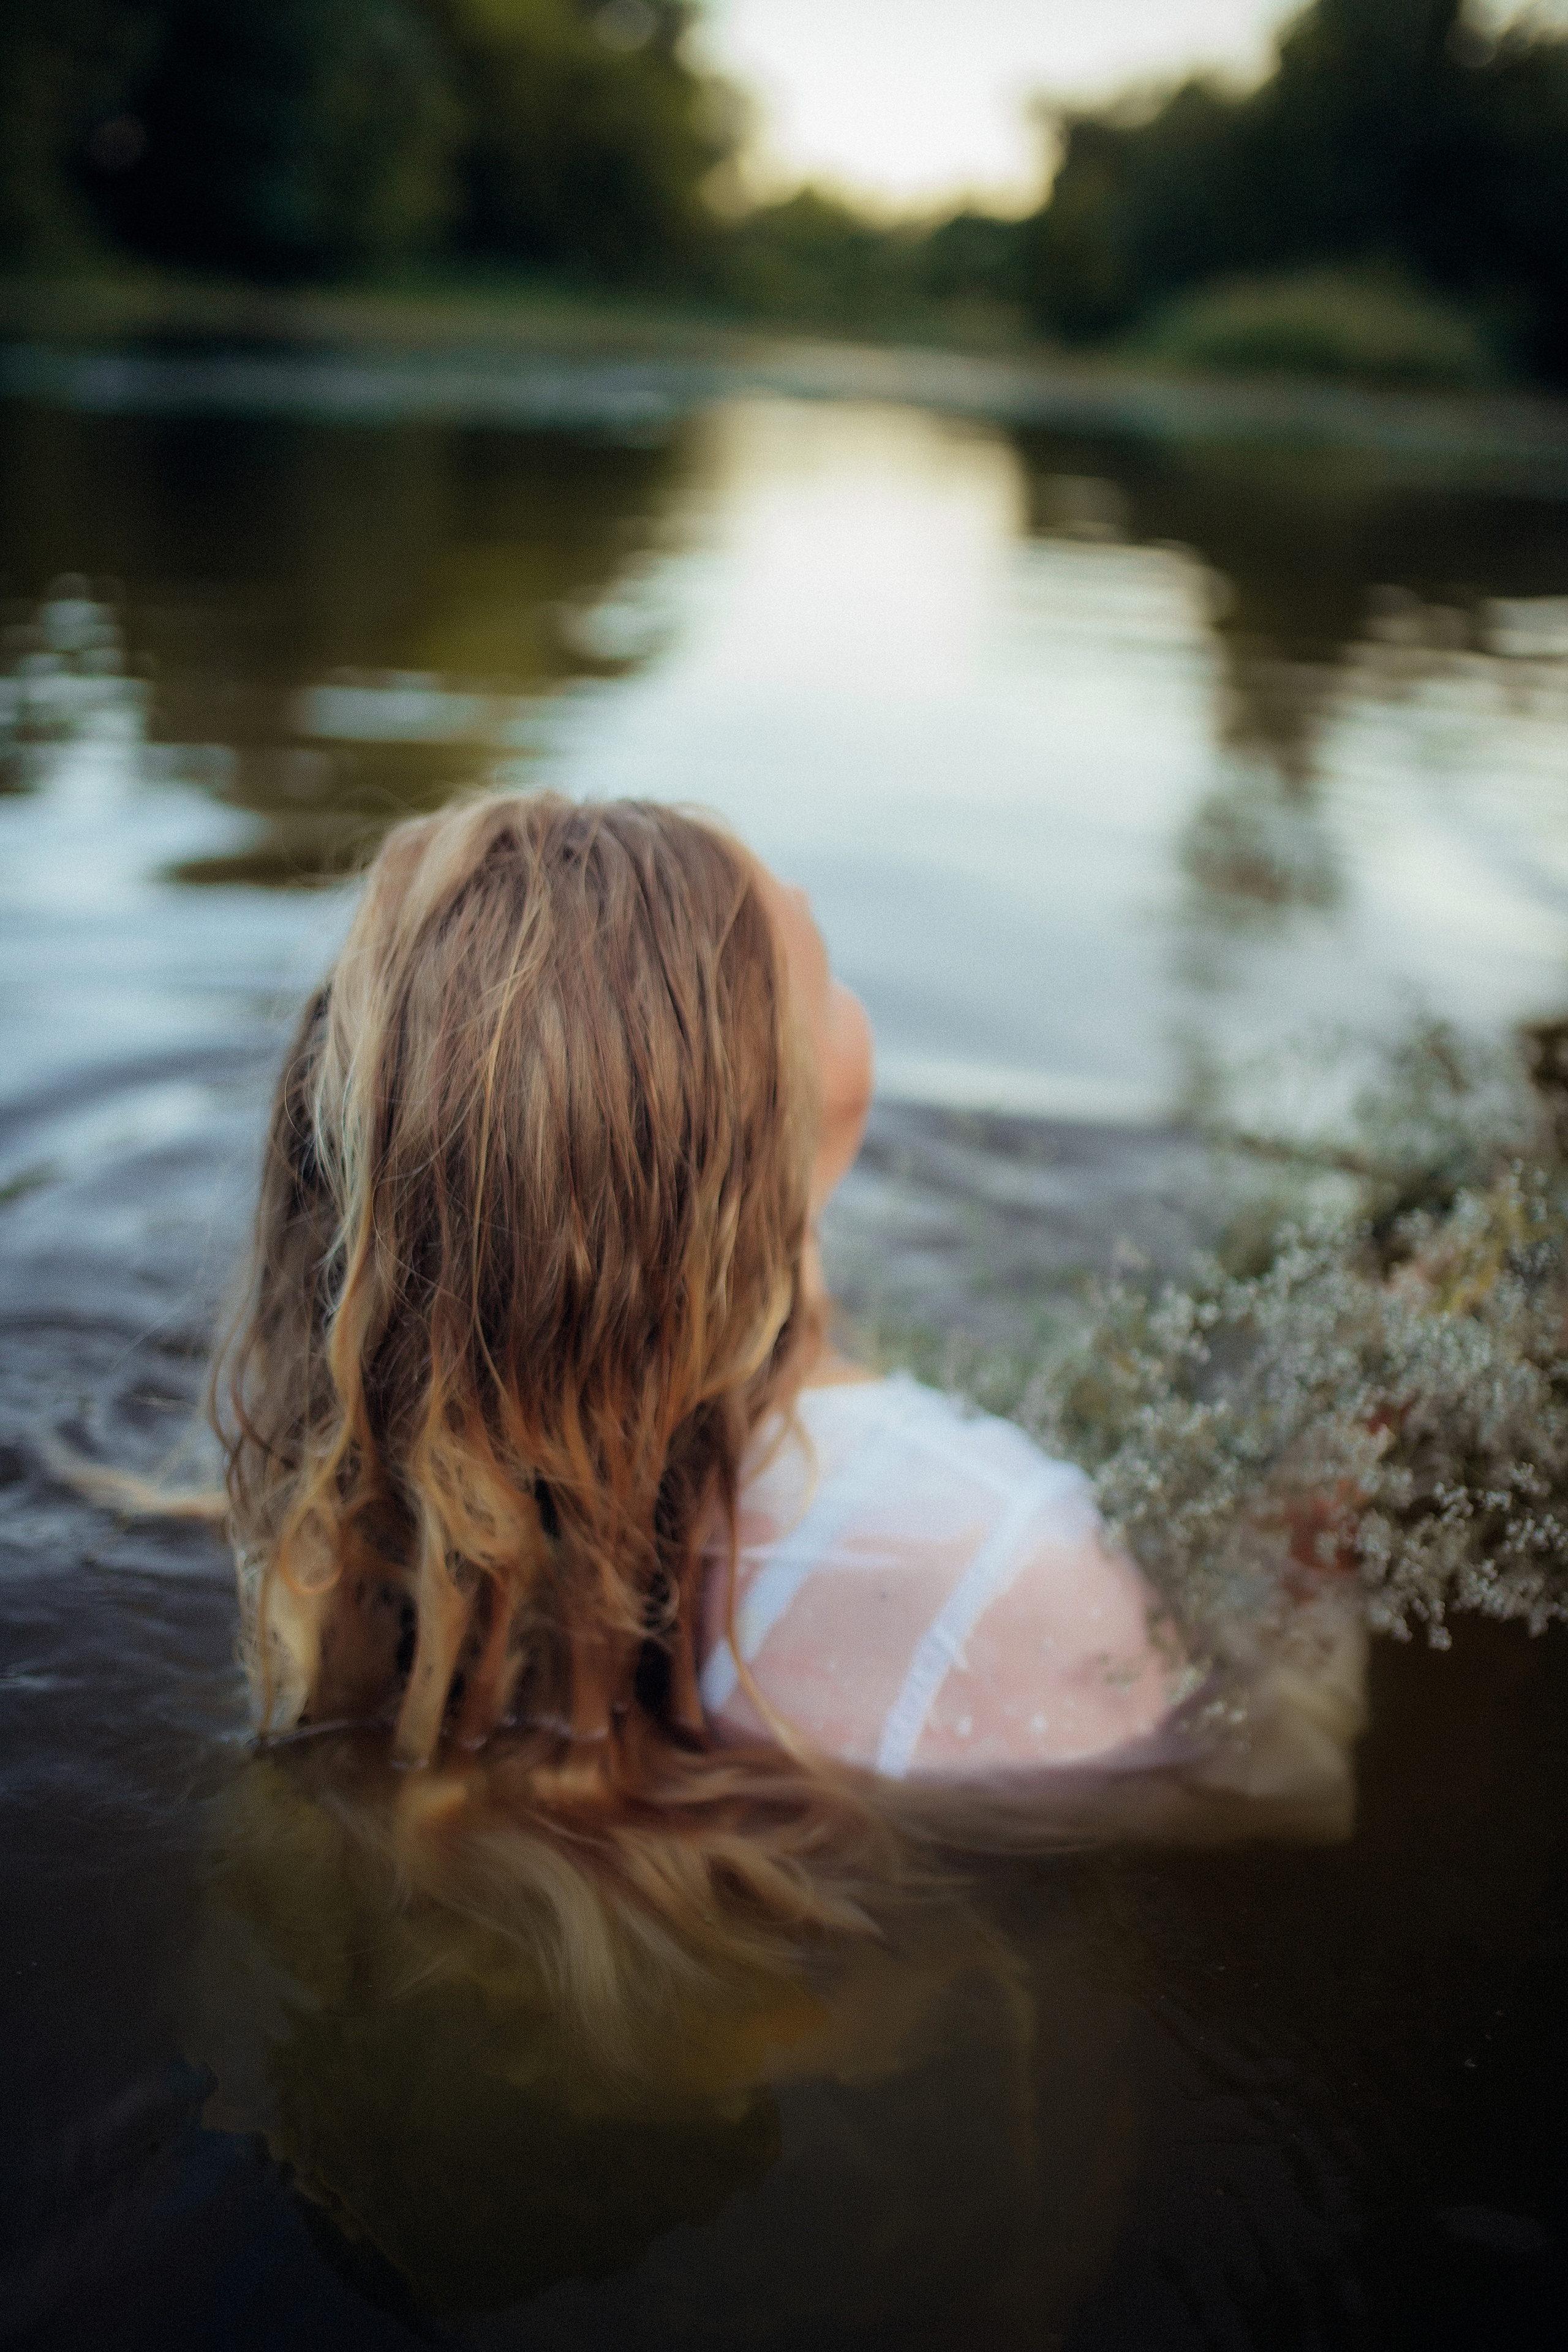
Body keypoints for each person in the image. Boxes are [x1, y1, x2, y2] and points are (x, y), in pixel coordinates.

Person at [213, 789, 1363, 2010]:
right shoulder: (1012, 1563)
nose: (828, 959)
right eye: (812, 967)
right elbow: (1276, 1790)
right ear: (762, 1135)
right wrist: (1317, 1538)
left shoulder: (350, 1551)